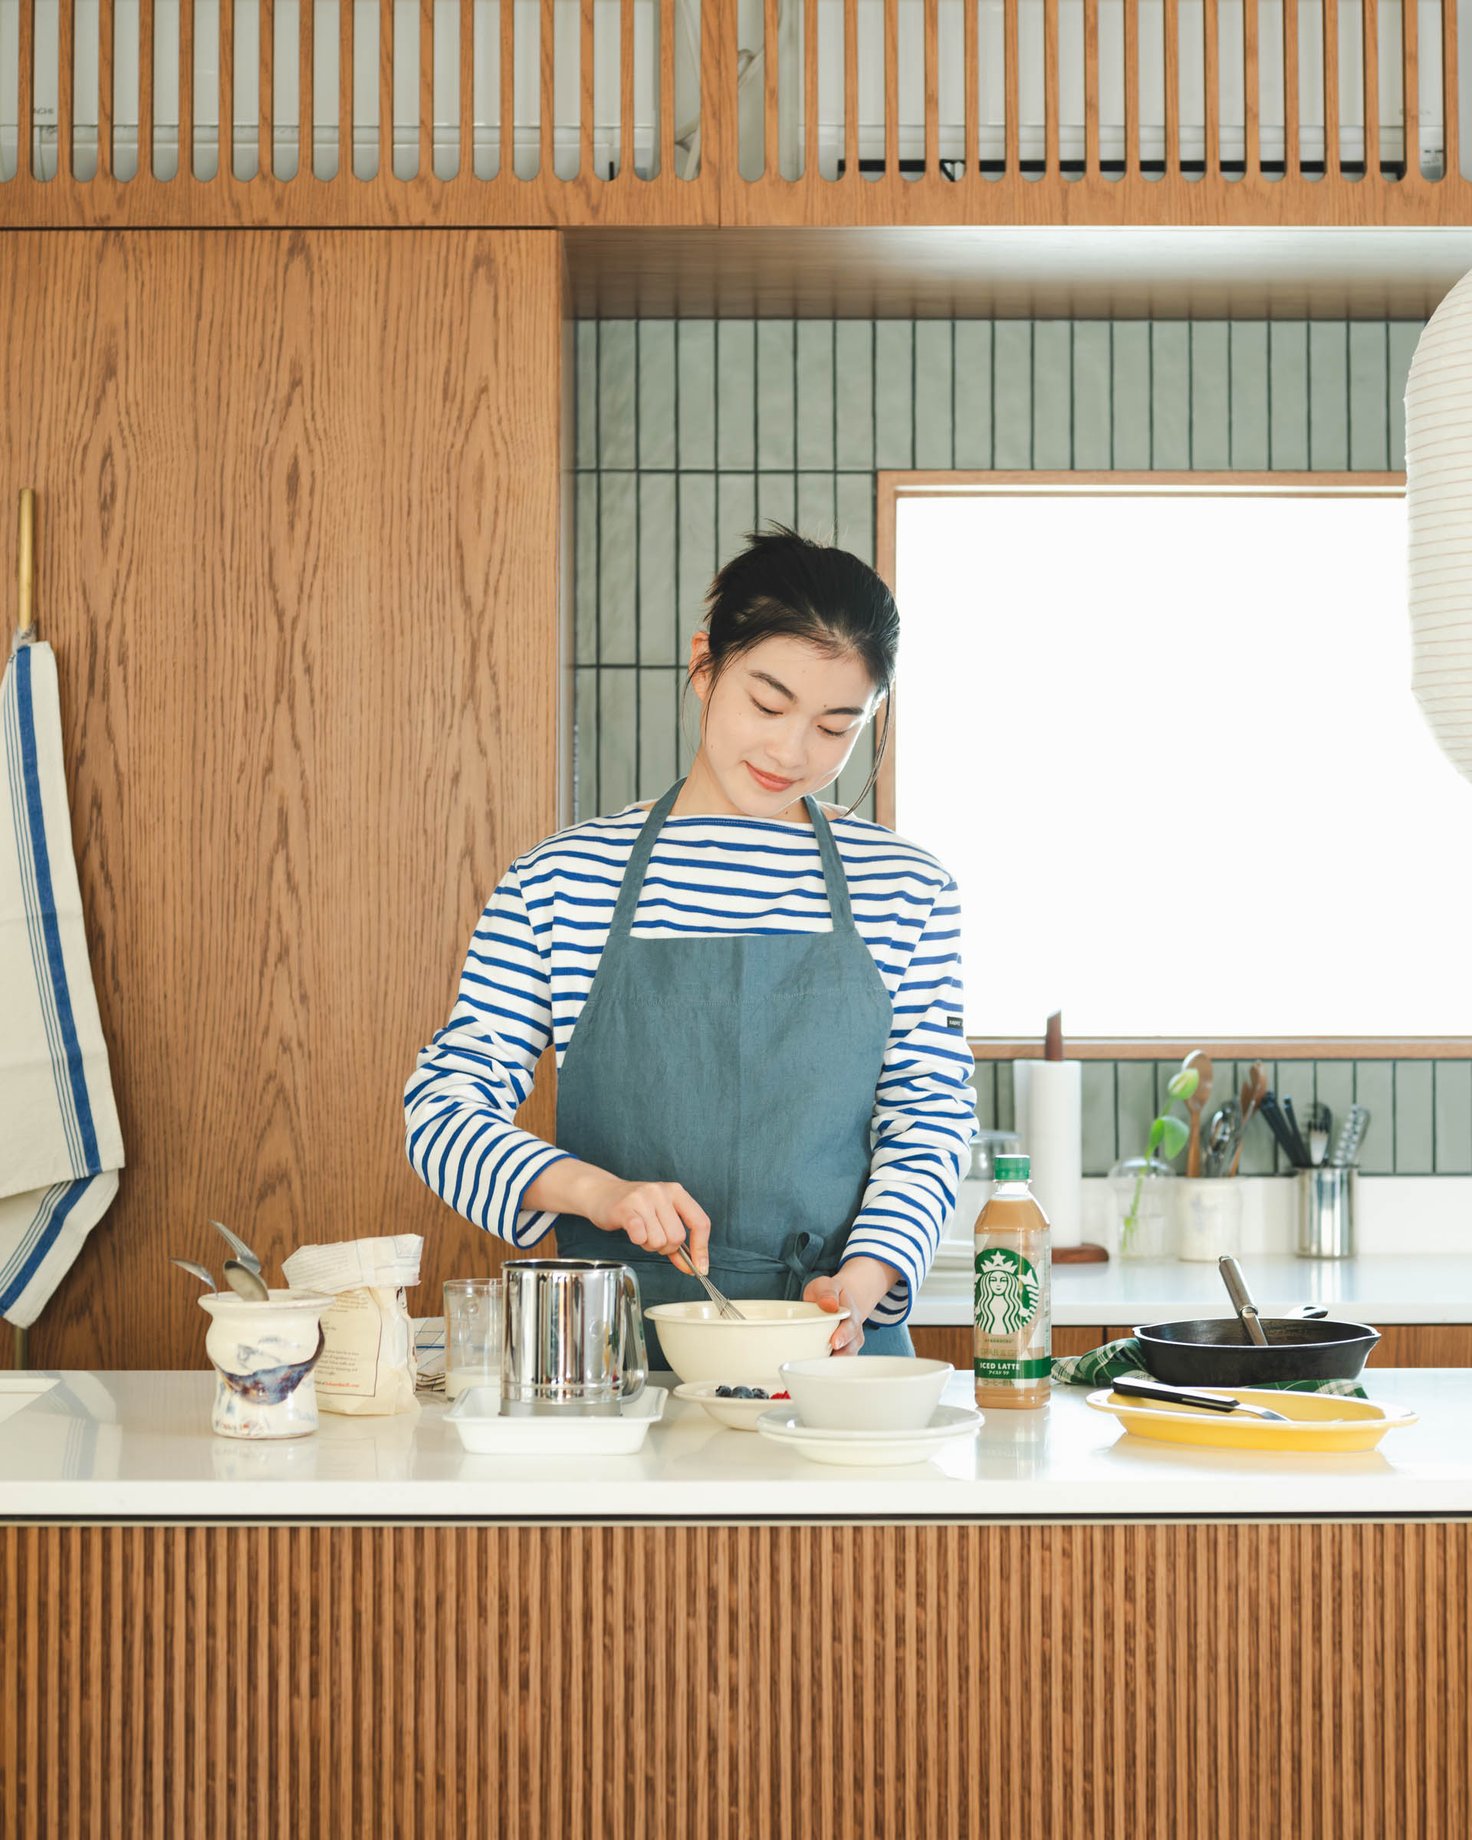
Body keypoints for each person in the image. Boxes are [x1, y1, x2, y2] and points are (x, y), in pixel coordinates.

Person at [404, 523, 975, 1364]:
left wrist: (858, 1284)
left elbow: (927, 1119)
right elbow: (442, 1111)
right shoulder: (563, 879)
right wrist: (600, 1194)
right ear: (704, 665)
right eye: (768, 704)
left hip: (835, 1359)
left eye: (834, 727)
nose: (790, 751)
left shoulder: (906, 888)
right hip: (610, 1358)